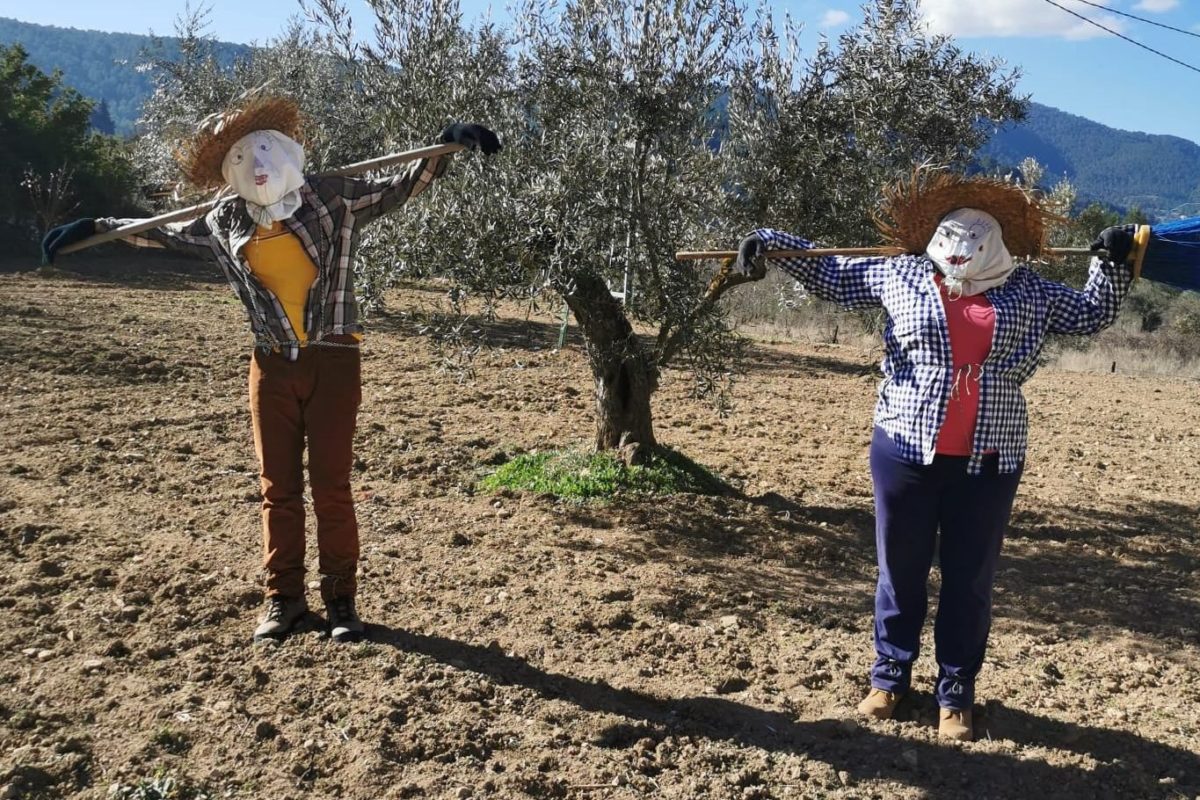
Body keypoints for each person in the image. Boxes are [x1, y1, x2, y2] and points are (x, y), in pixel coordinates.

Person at [42, 91, 501, 644]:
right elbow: (157, 230)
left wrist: (447, 143)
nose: (257, 167)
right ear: (228, 173)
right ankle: (283, 600)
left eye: (263, 151)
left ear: (284, 149)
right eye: (241, 160)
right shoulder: (222, 220)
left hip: (333, 360)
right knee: (276, 488)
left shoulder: (333, 197)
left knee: (331, 486)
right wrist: (94, 226)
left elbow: (402, 184)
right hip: (270, 366)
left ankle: (341, 602)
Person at [734, 169, 1134, 741]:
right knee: (900, 568)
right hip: (903, 448)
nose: (962, 249)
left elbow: (1092, 312)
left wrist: (1113, 261)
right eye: (953, 237)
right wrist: (770, 240)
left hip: (989, 457)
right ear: (935, 238)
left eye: (977, 239)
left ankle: (955, 691)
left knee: (970, 577)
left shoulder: (1031, 291)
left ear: (996, 242)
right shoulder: (900, 274)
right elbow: (827, 271)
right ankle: (890, 677)